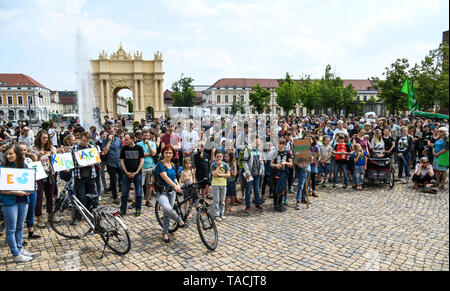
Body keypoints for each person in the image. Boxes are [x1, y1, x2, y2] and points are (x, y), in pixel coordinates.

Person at [0, 144, 36, 263]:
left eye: (11, 153)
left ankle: (20, 249)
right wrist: (17, 192)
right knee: (11, 229)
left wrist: (28, 190)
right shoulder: (3, 169)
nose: (8, 156)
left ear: (17, 154)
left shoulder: (24, 166)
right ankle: (16, 254)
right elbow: (2, 189)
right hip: (10, 203)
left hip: (23, 201)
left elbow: (29, 183)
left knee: (20, 227)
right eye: (7, 154)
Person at [154, 145, 185, 243]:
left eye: (170, 153)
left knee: (167, 213)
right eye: (166, 152)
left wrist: (177, 185)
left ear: (173, 154)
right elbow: (165, 177)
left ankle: (165, 232)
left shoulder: (173, 165)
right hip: (162, 191)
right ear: (163, 153)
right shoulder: (160, 164)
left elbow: (174, 177)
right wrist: (175, 186)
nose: (168, 154)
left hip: (172, 192)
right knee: (167, 208)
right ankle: (179, 220)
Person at [29, 130, 57, 227]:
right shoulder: (33, 149)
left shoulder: (51, 148)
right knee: (39, 197)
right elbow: (31, 162)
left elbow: (56, 160)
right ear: (39, 138)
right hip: (39, 174)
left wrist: (55, 153)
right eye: (43, 137)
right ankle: (39, 217)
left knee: (50, 195)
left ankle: (50, 214)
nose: (44, 139)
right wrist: (37, 156)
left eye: (46, 137)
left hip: (50, 173)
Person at [18, 142, 41, 240]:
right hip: (20, 190)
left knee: (31, 210)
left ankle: (30, 231)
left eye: (25, 150)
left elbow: (37, 171)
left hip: (32, 188)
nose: (23, 152)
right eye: (21, 150)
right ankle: (19, 237)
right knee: (20, 213)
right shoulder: (15, 161)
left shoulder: (29, 160)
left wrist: (35, 160)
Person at [119, 133, 144, 216]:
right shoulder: (124, 149)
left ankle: (138, 209)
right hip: (126, 173)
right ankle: (123, 209)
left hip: (137, 173)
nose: (125, 141)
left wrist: (137, 172)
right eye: (124, 139)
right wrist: (126, 172)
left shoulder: (139, 148)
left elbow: (141, 161)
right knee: (125, 192)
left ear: (132, 139)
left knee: (139, 192)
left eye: (127, 139)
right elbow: (122, 161)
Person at [241, 138, 265, 213]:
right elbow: (244, 162)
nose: (259, 141)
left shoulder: (258, 149)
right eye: (258, 140)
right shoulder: (247, 149)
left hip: (257, 173)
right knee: (248, 189)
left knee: (257, 189)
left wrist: (262, 171)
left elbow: (261, 161)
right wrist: (247, 172)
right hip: (249, 173)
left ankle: (257, 204)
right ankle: (247, 206)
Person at [102, 126, 123, 205]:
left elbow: (121, 149)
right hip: (111, 163)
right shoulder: (105, 141)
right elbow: (105, 151)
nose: (112, 132)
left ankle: (125, 195)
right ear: (107, 131)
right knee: (113, 181)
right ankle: (115, 197)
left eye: (113, 130)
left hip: (119, 162)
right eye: (110, 131)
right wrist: (109, 141)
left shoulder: (118, 139)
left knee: (123, 179)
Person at [271, 138, 293, 212]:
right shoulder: (275, 153)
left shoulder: (287, 153)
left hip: (284, 173)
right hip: (276, 173)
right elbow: (271, 163)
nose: (278, 145)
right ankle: (275, 204)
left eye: (279, 144)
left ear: (283, 144)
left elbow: (291, 164)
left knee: (282, 188)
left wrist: (285, 163)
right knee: (276, 187)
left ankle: (280, 203)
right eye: (278, 143)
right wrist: (276, 165)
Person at [137, 130, 157, 208]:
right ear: (142, 136)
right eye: (145, 135)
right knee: (139, 185)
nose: (146, 137)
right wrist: (149, 154)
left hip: (151, 167)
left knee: (149, 185)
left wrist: (148, 145)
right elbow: (139, 154)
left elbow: (154, 153)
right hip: (142, 167)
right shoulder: (139, 144)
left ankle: (147, 200)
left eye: (147, 136)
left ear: (149, 136)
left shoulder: (152, 143)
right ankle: (136, 201)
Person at [210, 151, 230, 221]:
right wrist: (218, 166)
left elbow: (228, 175)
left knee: (222, 200)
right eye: (217, 157)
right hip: (215, 184)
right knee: (216, 200)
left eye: (220, 157)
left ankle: (222, 213)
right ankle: (216, 215)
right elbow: (214, 174)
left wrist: (220, 175)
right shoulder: (213, 165)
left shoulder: (225, 165)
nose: (219, 158)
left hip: (223, 184)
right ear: (215, 157)